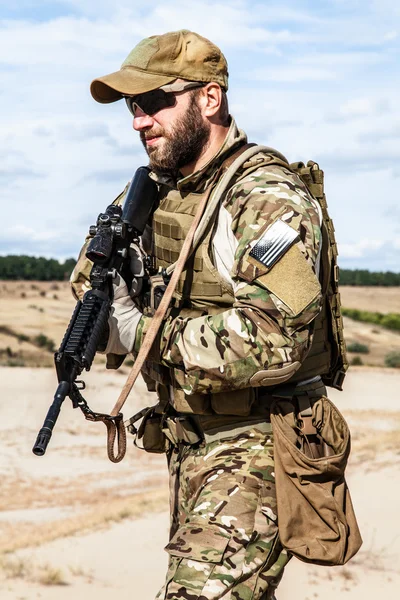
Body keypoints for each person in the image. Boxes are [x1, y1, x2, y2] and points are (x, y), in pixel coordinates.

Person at [72, 29, 344, 600]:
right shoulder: (154, 192)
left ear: (210, 99)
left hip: (258, 442)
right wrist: (104, 288)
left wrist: (141, 329)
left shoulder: (266, 198)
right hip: (188, 438)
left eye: (153, 103)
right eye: (131, 107)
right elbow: (89, 281)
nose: (138, 121)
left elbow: (277, 337)